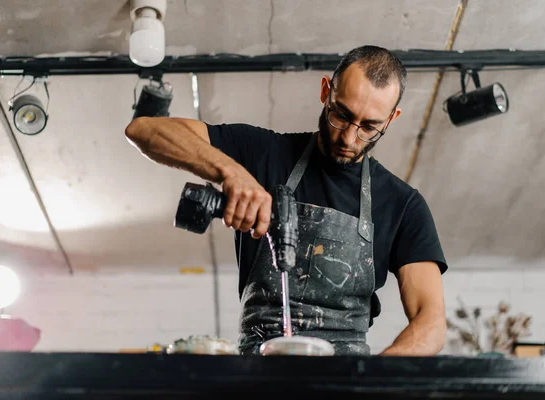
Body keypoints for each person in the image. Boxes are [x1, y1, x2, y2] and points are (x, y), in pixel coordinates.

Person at [125, 45, 448, 356]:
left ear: (391, 119)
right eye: (341, 115)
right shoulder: (263, 153)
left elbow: (430, 324)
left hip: (344, 378)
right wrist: (231, 172)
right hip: (258, 372)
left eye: (368, 127)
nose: (349, 137)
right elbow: (144, 130)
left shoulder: (403, 205)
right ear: (326, 92)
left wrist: (369, 382)